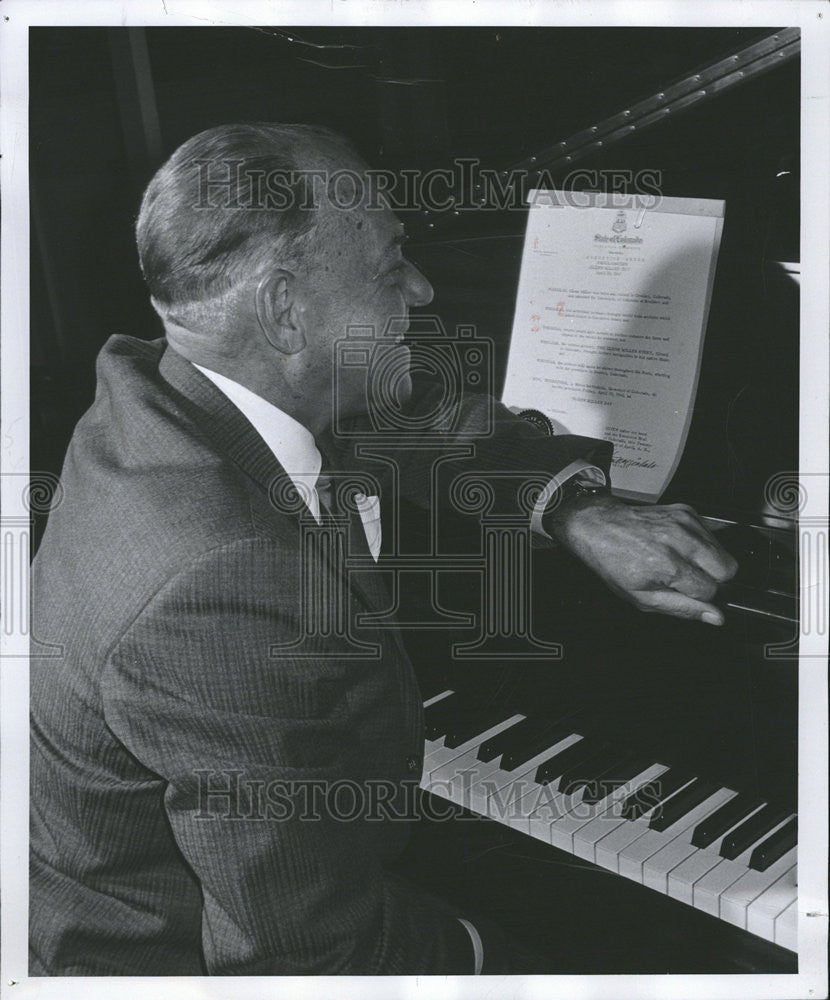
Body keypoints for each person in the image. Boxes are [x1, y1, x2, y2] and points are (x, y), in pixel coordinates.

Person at [29, 123, 737, 976]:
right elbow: (308, 958)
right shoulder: (213, 577)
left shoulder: (164, 391)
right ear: (287, 309)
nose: (423, 286)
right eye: (388, 260)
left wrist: (570, 507)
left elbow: (413, 414)